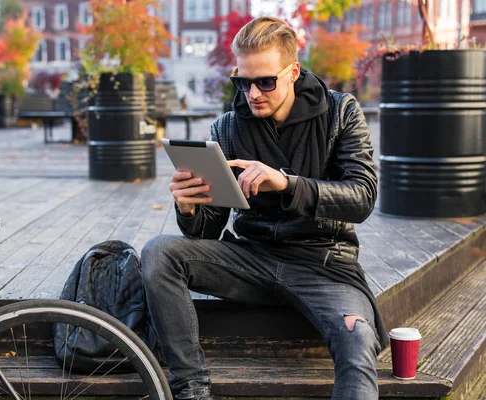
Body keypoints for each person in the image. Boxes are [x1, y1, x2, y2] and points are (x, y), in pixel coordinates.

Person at [141, 16, 388, 400]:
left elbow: (362, 197)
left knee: (357, 343)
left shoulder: (341, 112)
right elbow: (208, 231)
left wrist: (286, 183)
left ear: (293, 72)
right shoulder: (227, 127)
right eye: (242, 81)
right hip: (251, 259)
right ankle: (191, 389)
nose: (253, 93)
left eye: (265, 82)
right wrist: (188, 208)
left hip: (324, 265)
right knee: (159, 252)